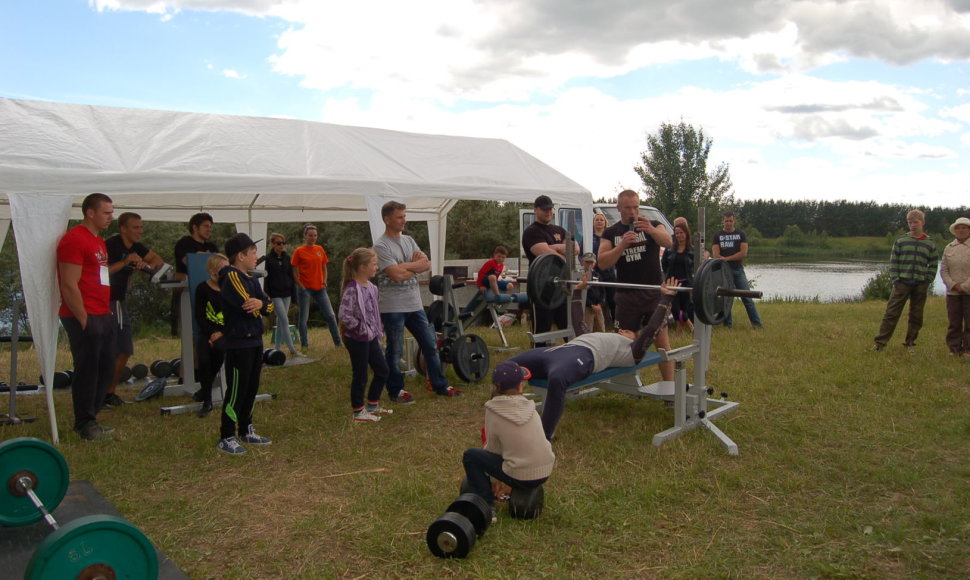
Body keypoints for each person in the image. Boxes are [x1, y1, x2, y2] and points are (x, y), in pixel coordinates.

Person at [509, 278, 679, 440]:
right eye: (622, 330)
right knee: (507, 366)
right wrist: (577, 291)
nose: (623, 330)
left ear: (634, 338)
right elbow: (578, 321)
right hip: (558, 351)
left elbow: (651, 329)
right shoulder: (597, 335)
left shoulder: (633, 351)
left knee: (557, 378)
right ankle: (506, 408)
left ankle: (544, 435)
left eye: (629, 331)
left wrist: (666, 298)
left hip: (583, 357)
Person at [375, 200, 462, 401]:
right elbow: (396, 275)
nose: (404, 220)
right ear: (387, 219)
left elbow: (427, 264)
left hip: (414, 304)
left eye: (404, 216)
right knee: (394, 351)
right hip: (393, 307)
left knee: (430, 345)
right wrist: (414, 266)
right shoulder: (381, 245)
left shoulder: (409, 240)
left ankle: (439, 385)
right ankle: (396, 391)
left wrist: (406, 267)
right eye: (399, 217)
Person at [57, 193, 117, 440]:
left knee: (105, 367)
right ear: (90, 213)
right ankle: (84, 422)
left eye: (112, 212)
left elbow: (99, 277)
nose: (110, 217)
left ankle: (92, 414)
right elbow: (69, 284)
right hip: (84, 314)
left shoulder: (99, 241)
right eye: (106, 212)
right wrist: (83, 318)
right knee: (87, 369)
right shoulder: (74, 240)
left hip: (102, 311)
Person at [597, 189, 674, 381]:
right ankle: (627, 383)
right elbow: (603, 262)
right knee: (624, 343)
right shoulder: (611, 232)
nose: (633, 212)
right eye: (628, 208)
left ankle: (670, 388)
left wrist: (651, 230)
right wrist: (622, 246)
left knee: (662, 344)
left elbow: (668, 242)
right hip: (626, 295)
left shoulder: (652, 224)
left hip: (653, 293)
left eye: (636, 207)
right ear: (618, 208)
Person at [461, 360, 555, 510]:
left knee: (471, 456)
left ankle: (486, 506)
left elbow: (493, 450)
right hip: (544, 470)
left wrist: (493, 480)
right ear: (520, 387)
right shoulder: (530, 406)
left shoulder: (494, 410)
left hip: (521, 475)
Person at [216, 233, 275, 455]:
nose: (256, 257)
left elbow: (268, 306)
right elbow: (246, 303)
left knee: (251, 388)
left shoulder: (250, 278)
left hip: (255, 341)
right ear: (240, 256)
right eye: (253, 253)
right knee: (237, 390)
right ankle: (226, 435)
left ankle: (246, 429)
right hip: (238, 343)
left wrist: (261, 303)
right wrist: (260, 303)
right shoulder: (231, 276)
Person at [104, 212, 164, 407]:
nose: (140, 231)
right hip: (107, 300)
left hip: (120, 300)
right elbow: (101, 271)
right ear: (123, 228)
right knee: (118, 348)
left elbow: (158, 260)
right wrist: (125, 262)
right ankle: (105, 393)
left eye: (141, 227)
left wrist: (144, 265)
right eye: (135, 227)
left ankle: (108, 392)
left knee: (124, 349)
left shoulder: (137, 247)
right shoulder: (112, 244)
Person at [872, 209, 939, 353]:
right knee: (891, 314)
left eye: (916, 222)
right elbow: (893, 262)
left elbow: (933, 264)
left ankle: (910, 344)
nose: (913, 225)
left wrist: (928, 280)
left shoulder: (930, 243)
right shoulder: (901, 241)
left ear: (923, 222)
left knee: (916, 315)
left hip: (920, 284)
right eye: (910, 222)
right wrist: (896, 279)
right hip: (901, 283)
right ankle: (880, 344)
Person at [338, 247, 392, 422]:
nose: (376, 267)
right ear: (362, 267)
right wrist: (361, 328)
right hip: (357, 339)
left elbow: (373, 311)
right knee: (360, 374)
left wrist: (376, 328)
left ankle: (373, 404)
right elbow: (344, 315)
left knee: (382, 370)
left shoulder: (372, 287)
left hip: (371, 337)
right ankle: (358, 411)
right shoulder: (352, 289)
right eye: (374, 264)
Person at [522, 195, 576, 342]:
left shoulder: (559, 229)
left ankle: (572, 359)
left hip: (561, 287)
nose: (548, 212)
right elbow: (546, 254)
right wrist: (562, 251)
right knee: (541, 332)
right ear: (535, 210)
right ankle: (537, 361)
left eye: (550, 209)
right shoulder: (532, 231)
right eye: (545, 209)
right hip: (540, 288)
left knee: (568, 328)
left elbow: (575, 248)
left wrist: (555, 247)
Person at [291, 224, 341, 350]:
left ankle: (338, 343)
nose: (313, 238)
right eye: (310, 235)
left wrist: (324, 281)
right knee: (304, 318)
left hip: (320, 288)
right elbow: (293, 272)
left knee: (330, 315)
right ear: (305, 236)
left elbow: (324, 266)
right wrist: (301, 286)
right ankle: (305, 345)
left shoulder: (319, 249)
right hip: (305, 289)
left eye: (315, 235)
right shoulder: (299, 251)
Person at [712, 211, 763, 329]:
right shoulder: (717, 235)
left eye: (730, 220)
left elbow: (743, 252)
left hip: (738, 270)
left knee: (747, 297)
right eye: (726, 221)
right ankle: (727, 325)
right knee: (726, 299)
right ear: (723, 221)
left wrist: (727, 258)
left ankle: (757, 324)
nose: (728, 223)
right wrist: (723, 260)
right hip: (724, 272)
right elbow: (716, 254)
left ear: (734, 221)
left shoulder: (741, 234)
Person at [193, 254, 229, 418]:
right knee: (204, 357)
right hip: (208, 331)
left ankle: (205, 388)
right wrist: (212, 332)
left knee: (220, 350)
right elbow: (200, 316)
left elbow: (235, 316)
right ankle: (207, 400)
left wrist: (221, 332)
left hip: (227, 331)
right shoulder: (202, 288)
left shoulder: (231, 288)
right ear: (213, 271)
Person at [172, 213, 218, 336]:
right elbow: (188, 261)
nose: (209, 229)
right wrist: (204, 257)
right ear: (195, 227)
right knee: (189, 333)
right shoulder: (184, 243)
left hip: (208, 293)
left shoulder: (211, 246)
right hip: (188, 292)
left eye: (210, 226)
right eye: (206, 226)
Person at [260, 232, 302, 358]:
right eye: (279, 243)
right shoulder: (268, 259)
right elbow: (266, 279)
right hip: (275, 294)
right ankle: (292, 350)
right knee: (284, 320)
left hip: (287, 293)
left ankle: (277, 348)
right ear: (272, 244)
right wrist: (267, 296)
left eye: (283, 243)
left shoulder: (287, 258)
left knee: (280, 321)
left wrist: (294, 296)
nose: (282, 245)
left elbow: (291, 276)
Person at [942, 217, 970, 357]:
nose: (961, 230)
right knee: (954, 322)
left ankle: (968, 350)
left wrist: (965, 286)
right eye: (958, 228)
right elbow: (944, 270)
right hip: (952, 293)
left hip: (969, 292)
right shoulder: (949, 247)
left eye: (964, 227)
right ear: (955, 230)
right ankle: (954, 349)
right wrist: (952, 285)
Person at [662, 221, 695, 335]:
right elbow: (664, 264)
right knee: (675, 310)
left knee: (683, 309)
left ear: (686, 233)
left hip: (686, 283)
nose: (679, 235)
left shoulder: (692, 250)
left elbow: (695, 266)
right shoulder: (670, 248)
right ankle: (692, 328)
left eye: (681, 233)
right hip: (672, 283)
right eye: (676, 233)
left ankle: (679, 333)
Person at [592, 213, 617, 326]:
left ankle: (616, 322)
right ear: (593, 222)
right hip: (595, 272)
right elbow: (583, 253)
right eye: (597, 220)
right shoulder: (589, 237)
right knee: (598, 299)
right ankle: (601, 324)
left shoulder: (610, 237)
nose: (599, 221)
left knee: (613, 299)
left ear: (605, 222)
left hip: (609, 272)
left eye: (601, 220)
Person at [581, 252, 606, 333]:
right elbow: (581, 292)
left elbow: (602, 291)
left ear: (594, 263)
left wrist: (600, 304)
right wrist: (591, 305)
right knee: (588, 330)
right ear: (582, 262)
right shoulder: (579, 275)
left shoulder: (597, 275)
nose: (589, 264)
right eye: (587, 262)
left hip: (598, 307)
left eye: (591, 262)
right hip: (587, 307)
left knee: (601, 328)